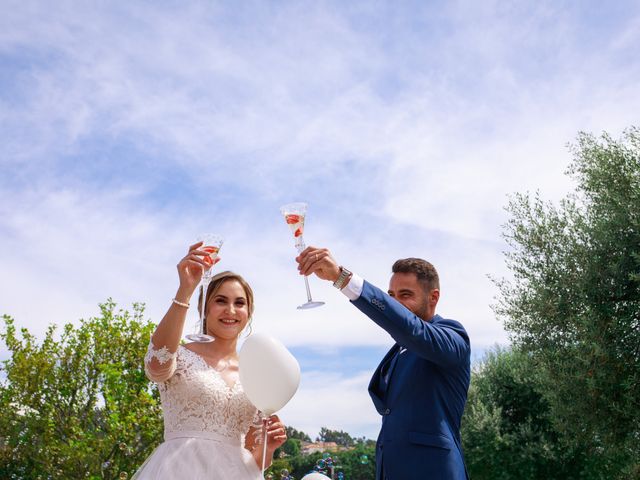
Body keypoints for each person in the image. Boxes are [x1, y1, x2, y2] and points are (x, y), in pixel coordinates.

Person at [297, 248, 470, 480]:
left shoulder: (452, 337)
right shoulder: (397, 353)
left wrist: (342, 278)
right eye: (391, 296)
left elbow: (413, 329)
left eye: (405, 295)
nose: (395, 302)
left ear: (433, 297)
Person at [132, 241, 287, 479]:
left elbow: (253, 462)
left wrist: (269, 446)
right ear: (204, 307)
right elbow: (156, 366)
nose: (231, 311)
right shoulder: (180, 355)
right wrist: (186, 288)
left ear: (249, 312)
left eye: (240, 303)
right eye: (221, 301)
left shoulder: (254, 373)